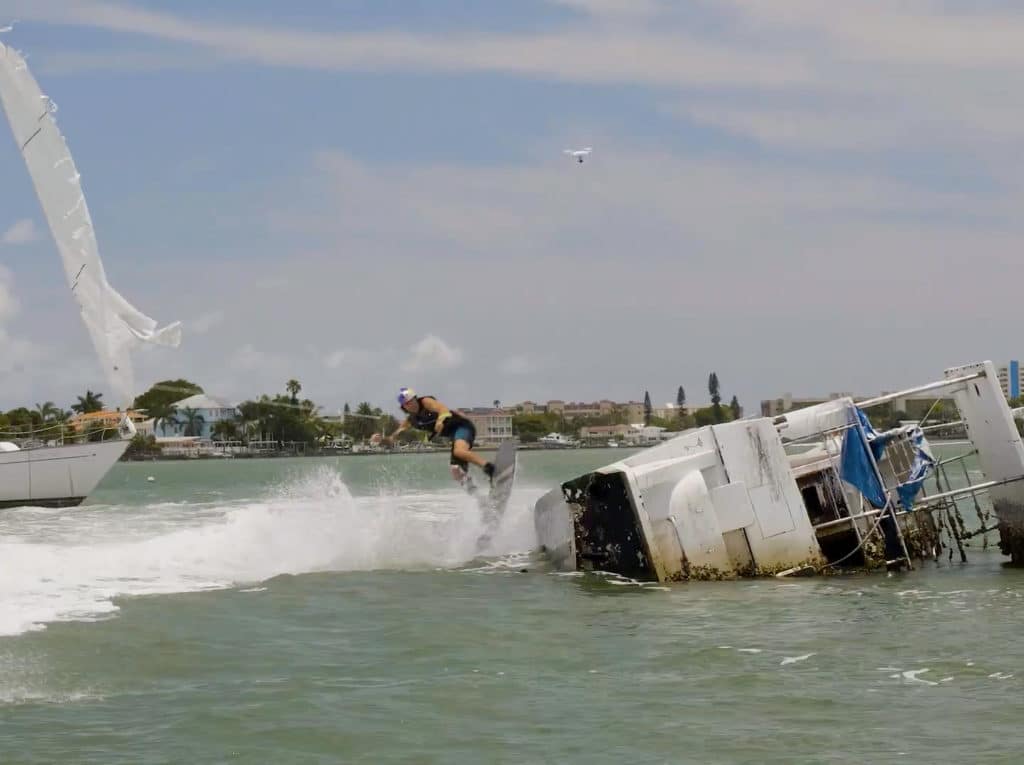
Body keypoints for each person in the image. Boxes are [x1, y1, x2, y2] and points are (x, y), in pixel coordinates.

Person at [373, 387, 495, 489]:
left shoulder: (426, 402)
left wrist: (441, 419)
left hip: (462, 427)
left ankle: (491, 469)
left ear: (415, 398)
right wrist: (381, 440)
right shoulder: (411, 420)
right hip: (454, 435)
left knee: (459, 451)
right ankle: (478, 497)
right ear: (403, 407)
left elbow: (443, 409)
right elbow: (392, 438)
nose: (410, 405)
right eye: (406, 404)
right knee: (456, 472)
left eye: (411, 401)